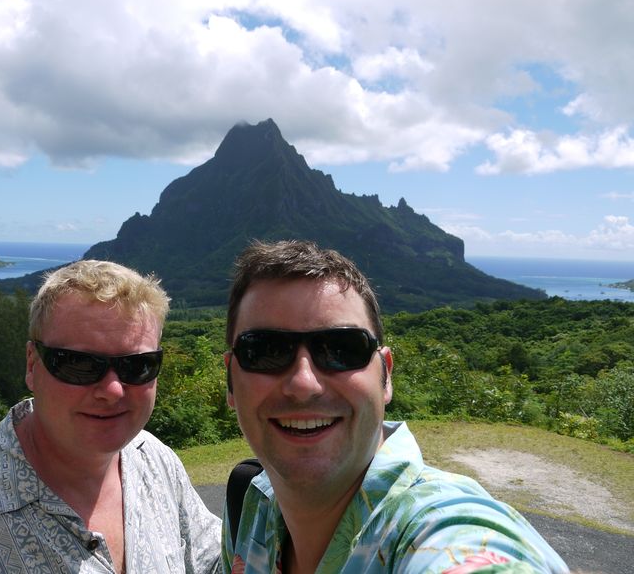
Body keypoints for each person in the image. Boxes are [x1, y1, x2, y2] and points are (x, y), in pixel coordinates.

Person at [222, 240, 568, 573]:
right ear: (231, 382)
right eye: (264, 350)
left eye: (341, 349)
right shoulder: (253, 504)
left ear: (385, 375)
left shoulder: (435, 526)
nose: (303, 384)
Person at [0, 260, 221, 573]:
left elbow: (211, 561)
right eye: (79, 364)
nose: (112, 390)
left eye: (138, 365)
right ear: (31, 364)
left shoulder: (155, 461)